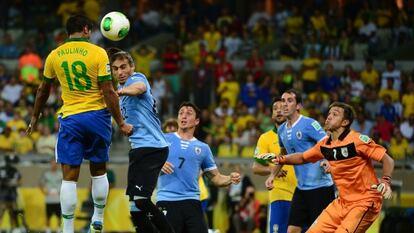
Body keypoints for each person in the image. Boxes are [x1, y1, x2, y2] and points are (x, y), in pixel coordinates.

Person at [26, 15, 133, 233]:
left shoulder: (54, 55)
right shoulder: (98, 52)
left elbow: (43, 90)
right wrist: (120, 122)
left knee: (69, 177)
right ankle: (99, 217)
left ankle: (67, 229)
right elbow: (108, 91)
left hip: (71, 118)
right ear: (85, 29)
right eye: (90, 30)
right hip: (97, 117)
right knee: (99, 170)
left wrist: (35, 117)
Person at [271, 102, 395, 233]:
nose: (329, 117)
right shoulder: (325, 145)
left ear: (345, 122)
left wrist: (386, 181)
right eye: (329, 113)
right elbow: (303, 157)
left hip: (364, 202)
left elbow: (388, 160)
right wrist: (280, 159)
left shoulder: (357, 140)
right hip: (342, 202)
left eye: (335, 114)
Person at [107, 48, 174, 233]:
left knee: (142, 201)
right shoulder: (119, 90)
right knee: (135, 209)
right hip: (139, 149)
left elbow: (139, 89)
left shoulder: (137, 78)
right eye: (115, 69)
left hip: (152, 147)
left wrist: (118, 94)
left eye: (123, 67)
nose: (120, 72)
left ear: (132, 67)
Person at [157, 102, 241, 233]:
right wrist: (157, 163)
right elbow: (142, 161)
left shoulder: (203, 148)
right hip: (167, 201)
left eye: (188, 113)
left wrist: (230, 178)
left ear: (196, 121)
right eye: (181, 113)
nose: (183, 116)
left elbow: (216, 178)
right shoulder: (162, 139)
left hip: (192, 203)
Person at [264, 89, 334, 233]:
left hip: (320, 188)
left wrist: (328, 160)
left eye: (289, 101)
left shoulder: (309, 124)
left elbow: (326, 142)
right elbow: (282, 154)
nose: (284, 104)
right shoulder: (281, 130)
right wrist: (272, 175)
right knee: (292, 230)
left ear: (298, 106)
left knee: (322, 231)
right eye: (283, 101)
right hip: (301, 189)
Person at [252, 98, 297, 233]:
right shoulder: (265, 138)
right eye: (275, 108)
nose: (278, 110)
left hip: (301, 195)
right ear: (272, 115)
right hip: (279, 195)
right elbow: (256, 167)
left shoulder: (299, 134)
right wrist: (272, 169)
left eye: (282, 107)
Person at [39, 159, 63, 233]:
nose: (54, 165)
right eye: (52, 164)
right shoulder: (46, 174)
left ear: (57, 165)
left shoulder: (61, 174)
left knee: (59, 216)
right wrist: (44, 192)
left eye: (55, 164)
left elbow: (65, 184)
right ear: (50, 164)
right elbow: (40, 184)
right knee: (48, 216)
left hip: (58, 199)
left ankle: (58, 229)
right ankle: (48, 230)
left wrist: (61, 192)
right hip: (49, 199)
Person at [0, 154, 22, 233]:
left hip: (12, 194)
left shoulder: (15, 171)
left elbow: (19, 182)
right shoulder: (2, 170)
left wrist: (12, 183)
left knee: (13, 213)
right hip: (2, 195)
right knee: (1, 212)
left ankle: (14, 228)